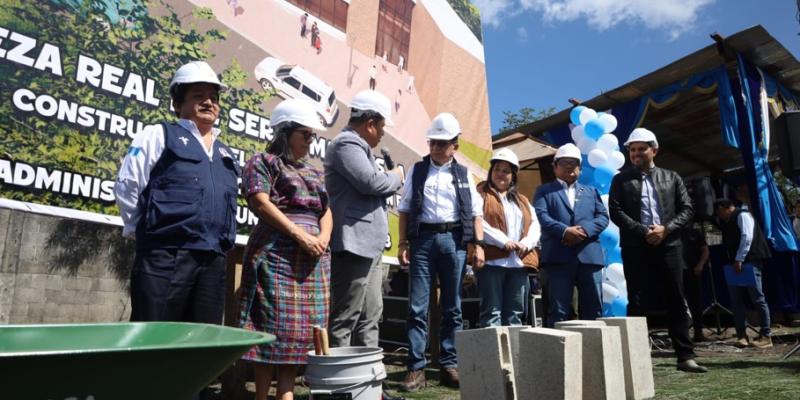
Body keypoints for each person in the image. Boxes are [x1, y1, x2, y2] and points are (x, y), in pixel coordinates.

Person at [115, 60, 238, 325]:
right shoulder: (158, 135)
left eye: (213, 97)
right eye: (198, 96)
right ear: (177, 103)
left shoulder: (225, 152)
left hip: (213, 260)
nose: (209, 102)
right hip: (166, 255)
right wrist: (139, 229)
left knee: (202, 342)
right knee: (154, 337)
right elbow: (128, 183)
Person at [237, 99, 332, 400]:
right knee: (270, 325)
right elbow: (260, 201)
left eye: (312, 136)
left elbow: (326, 210)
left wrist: (323, 238)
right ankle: (261, 396)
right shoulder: (263, 162)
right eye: (305, 134)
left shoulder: (313, 172)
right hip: (276, 254)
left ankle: (286, 395)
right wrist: (298, 234)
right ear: (285, 132)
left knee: (299, 331)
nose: (310, 140)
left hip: (312, 258)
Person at [324, 90, 405, 400]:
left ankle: (369, 389)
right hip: (352, 244)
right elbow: (373, 183)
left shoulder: (361, 148)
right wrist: (397, 175)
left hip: (369, 246)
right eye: (382, 126)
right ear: (370, 123)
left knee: (371, 316)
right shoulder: (346, 144)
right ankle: (340, 389)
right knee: (345, 318)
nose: (383, 133)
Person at [397, 113, 485, 392]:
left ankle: (449, 365)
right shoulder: (418, 169)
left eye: (442, 143)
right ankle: (415, 368)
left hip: (455, 241)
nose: (436, 147)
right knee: (417, 307)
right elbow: (405, 208)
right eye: (433, 142)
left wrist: (478, 245)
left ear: (454, 146)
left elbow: (475, 213)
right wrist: (402, 243)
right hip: (422, 240)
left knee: (453, 308)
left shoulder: (463, 174)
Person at [608, 127, 707, 373]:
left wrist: (666, 229)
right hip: (635, 247)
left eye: (641, 149)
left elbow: (687, 209)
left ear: (654, 150)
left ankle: (685, 356)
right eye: (632, 150)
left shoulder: (672, 177)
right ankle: (636, 360)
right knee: (637, 301)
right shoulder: (620, 180)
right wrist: (644, 231)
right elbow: (616, 211)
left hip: (670, 246)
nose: (636, 153)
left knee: (676, 298)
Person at [533, 143, 608, 327]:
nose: (569, 166)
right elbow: (541, 216)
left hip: (588, 257)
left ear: (580, 168)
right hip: (558, 258)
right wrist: (565, 231)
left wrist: (583, 231)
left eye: (573, 163)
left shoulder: (591, 191)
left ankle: (594, 353)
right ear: (554, 166)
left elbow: (602, 217)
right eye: (564, 162)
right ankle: (558, 354)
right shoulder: (544, 191)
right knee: (558, 310)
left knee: (593, 308)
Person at [477, 148, 541, 327]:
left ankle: (513, 354)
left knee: (515, 314)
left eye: (506, 171)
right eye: (497, 169)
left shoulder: (522, 200)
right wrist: (503, 241)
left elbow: (535, 225)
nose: (500, 174)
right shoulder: (481, 193)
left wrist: (526, 243)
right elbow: (478, 222)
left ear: (513, 176)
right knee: (492, 312)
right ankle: (493, 355)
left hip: (518, 264)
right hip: (492, 263)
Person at [713, 199, 773, 348]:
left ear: (722, 208)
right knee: (736, 300)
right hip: (734, 264)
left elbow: (747, 237)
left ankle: (766, 335)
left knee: (758, 298)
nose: (719, 216)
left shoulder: (742, 215)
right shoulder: (728, 222)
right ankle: (742, 335)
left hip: (749, 261)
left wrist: (739, 259)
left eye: (718, 212)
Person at [681, 221, 709, 342]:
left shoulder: (695, 232)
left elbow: (705, 250)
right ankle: (682, 332)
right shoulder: (671, 231)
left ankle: (698, 332)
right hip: (677, 270)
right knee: (679, 302)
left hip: (692, 270)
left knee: (695, 302)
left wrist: (700, 265)